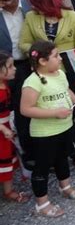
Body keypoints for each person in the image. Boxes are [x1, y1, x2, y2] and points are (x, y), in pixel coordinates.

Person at [20, 0, 75, 166]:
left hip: (68, 71)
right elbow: (24, 43)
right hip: (42, 74)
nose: (33, 6)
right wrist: (43, 53)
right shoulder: (31, 17)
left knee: (74, 109)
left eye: (36, 2)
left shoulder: (73, 17)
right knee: (47, 108)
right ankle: (49, 150)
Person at [20, 40, 75, 217]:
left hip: (64, 128)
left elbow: (67, 91)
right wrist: (55, 112)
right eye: (56, 56)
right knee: (42, 166)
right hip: (44, 133)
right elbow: (25, 109)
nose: (60, 59)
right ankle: (42, 204)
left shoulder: (59, 74)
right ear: (42, 61)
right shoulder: (32, 82)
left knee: (62, 159)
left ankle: (65, 186)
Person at [0, 0, 33, 168]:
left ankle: (27, 152)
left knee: (24, 112)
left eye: (6, 0)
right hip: (2, 70)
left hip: (25, 67)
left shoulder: (29, 9)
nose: (2, 4)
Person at [0, 51, 30, 204]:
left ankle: (8, 190)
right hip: (1, 129)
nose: (15, 69)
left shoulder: (4, 85)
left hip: (5, 128)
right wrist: (3, 128)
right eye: (10, 66)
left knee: (7, 158)